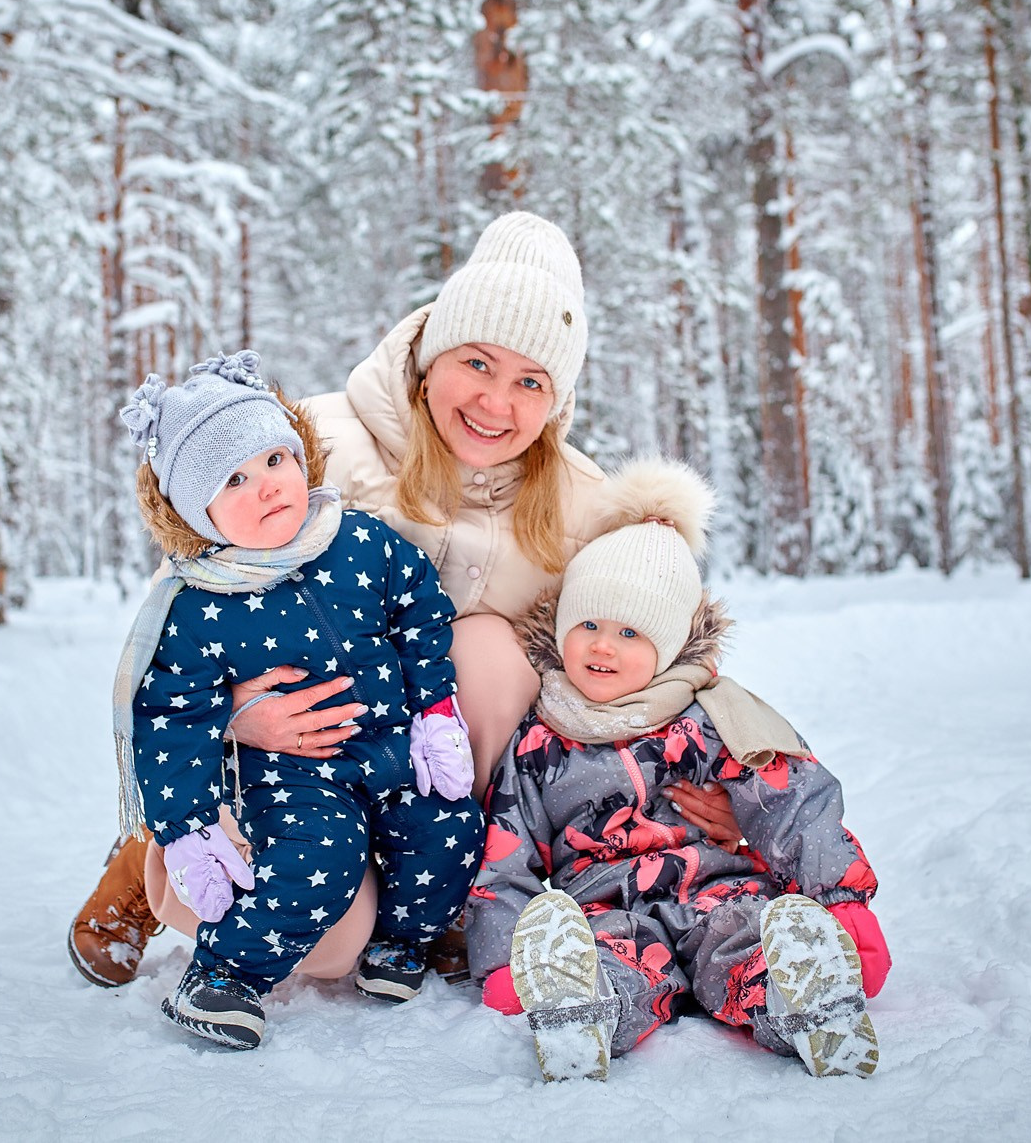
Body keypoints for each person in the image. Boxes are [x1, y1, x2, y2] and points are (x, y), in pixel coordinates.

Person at [70, 211, 740, 988]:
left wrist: (725, 787)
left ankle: (448, 892)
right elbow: (180, 611)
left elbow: (655, 641)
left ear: (557, 401)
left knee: (492, 653)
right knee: (323, 946)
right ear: (430, 354)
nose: (497, 401)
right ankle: (158, 856)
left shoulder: (580, 504)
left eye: (531, 381)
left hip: (421, 773)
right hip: (284, 763)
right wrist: (233, 715)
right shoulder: (314, 443)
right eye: (478, 362)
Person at [466, 459, 889, 1081]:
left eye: (631, 632)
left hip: (720, 890)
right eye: (587, 624)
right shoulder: (539, 736)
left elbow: (794, 804)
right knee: (615, 963)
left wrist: (844, 904)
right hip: (604, 907)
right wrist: (505, 958)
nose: (602, 646)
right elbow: (506, 847)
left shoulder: (714, 718)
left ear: (667, 645)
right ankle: (582, 1013)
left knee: (744, 944)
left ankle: (806, 1002)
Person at [113, 350, 483, 1049]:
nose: (266, 487)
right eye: (233, 479)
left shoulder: (360, 540)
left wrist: (434, 711)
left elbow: (421, 612)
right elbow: (171, 717)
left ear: (301, 454)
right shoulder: (200, 601)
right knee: (318, 862)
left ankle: (404, 939)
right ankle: (225, 973)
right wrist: (187, 825)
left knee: (448, 822)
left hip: (390, 741)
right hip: (295, 773)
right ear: (198, 510)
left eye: (274, 460)